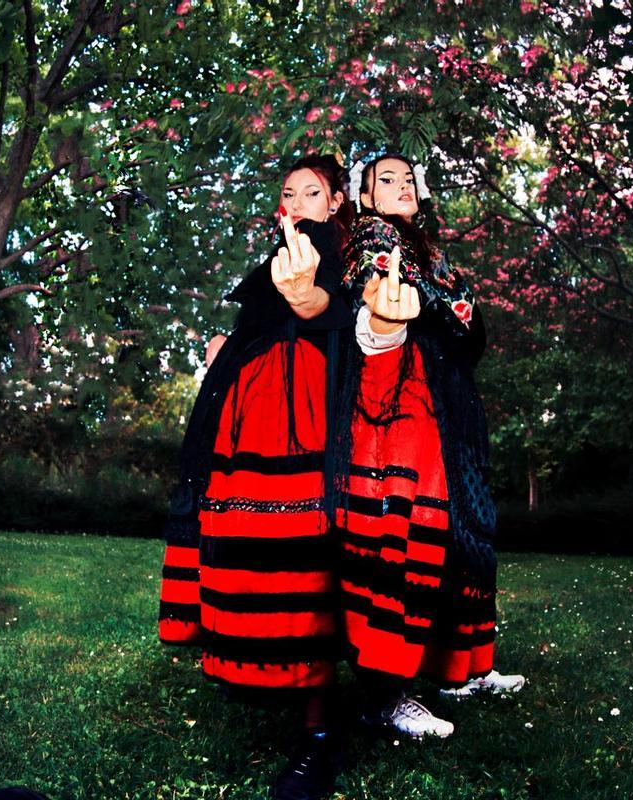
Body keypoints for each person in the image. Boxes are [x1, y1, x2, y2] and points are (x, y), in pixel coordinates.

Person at [157, 155, 354, 800]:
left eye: (313, 191)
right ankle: (270, 677)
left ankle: (319, 733)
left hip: (315, 419)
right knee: (252, 542)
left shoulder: (352, 256)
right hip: (250, 421)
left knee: (311, 553)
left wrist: (307, 299)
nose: (299, 201)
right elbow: (260, 321)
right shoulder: (273, 260)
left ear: (336, 201)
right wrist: (228, 346)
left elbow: (337, 316)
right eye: (289, 192)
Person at [334, 154, 526, 740]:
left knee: (466, 529)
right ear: (363, 196)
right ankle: (388, 695)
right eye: (385, 179)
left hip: (451, 399)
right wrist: (392, 302)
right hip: (402, 401)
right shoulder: (374, 235)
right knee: (409, 532)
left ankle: (460, 668)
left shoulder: (433, 251)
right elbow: (373, 289)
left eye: (408, 178)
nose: (401, 186)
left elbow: (469, 330)